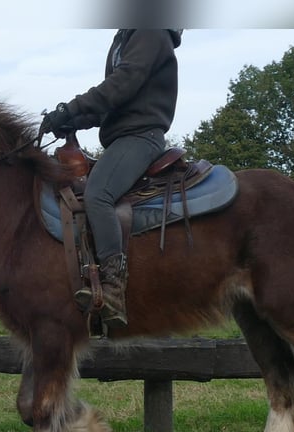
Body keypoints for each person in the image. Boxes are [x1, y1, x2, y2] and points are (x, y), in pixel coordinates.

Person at [40, 29, 182, 328]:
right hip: (122, 138)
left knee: (98, 194)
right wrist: (72, 120)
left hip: (141, 136)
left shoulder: (150, 31)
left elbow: (123, 83)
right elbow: (113, 103)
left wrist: (72, 107)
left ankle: (113, 289)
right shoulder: (127, 36)